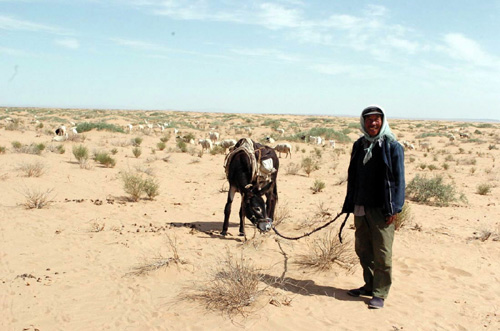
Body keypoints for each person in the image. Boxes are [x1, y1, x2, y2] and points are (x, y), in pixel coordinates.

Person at [341, 105, 405, 309]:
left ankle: (380, 292)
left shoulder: (392, 146)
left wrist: (394, 208)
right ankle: (369, 285)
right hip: (361, 206)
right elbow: (354, 176)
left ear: (383, 121)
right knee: (363, 248)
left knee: (382, 252)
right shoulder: (359, 145)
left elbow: (399, 180)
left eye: (377, 119)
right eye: (369, 120)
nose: (373, 123)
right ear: (363, 122)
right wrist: (351, 202)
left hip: (382, 208)